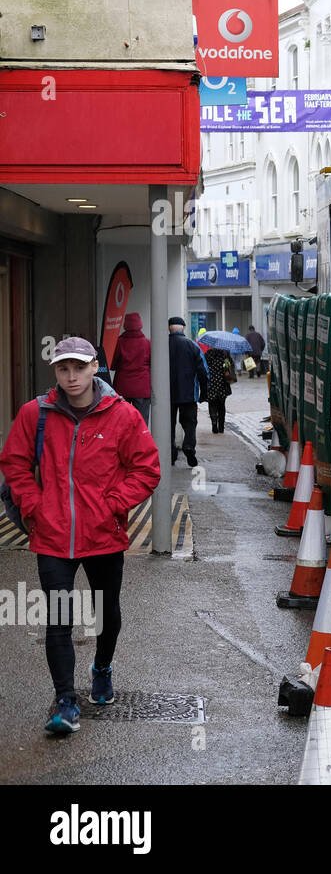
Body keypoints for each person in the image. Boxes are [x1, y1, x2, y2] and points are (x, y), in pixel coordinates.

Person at [0, 336, 161, 734]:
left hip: (103, 535)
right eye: (62, 369)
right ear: (55, 371)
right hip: (52, 536)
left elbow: (147, 469)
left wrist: (112, 504)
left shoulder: (121, 415)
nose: (71, 377)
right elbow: (15, 464)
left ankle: (102, 667)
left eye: (78, 368)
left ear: (94, 368)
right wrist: (35, 506)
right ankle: (66, 701)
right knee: (58, 618)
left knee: (107, 614)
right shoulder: (34, 414)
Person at [167, 317, 208, 466]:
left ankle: (170, 453)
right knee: (190, 423)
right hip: (189, 393)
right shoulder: (192, 345)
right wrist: (204, 392)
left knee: (168, 425)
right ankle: (189, 446)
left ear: (169, 329)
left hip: (167, 395)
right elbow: (203, 371)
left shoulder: (162, 346)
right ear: (183, 328)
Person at [110, 312, 151, 425]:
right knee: (141, 421)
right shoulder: (147, 343)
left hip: (122, 386)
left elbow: (112, 365)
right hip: (142, 388)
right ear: (140, 325)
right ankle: (140, 442)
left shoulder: (119, 343)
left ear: (125, 325)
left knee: (122, 420)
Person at [204, 345, 234, 433]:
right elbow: (229, 365)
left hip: (212, 383)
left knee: (212, 403)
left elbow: (204, 366)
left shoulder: (208, 354)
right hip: (222, 383)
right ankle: (221, 426)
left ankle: (214, 421)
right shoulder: (224, 354)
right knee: (221, 405)